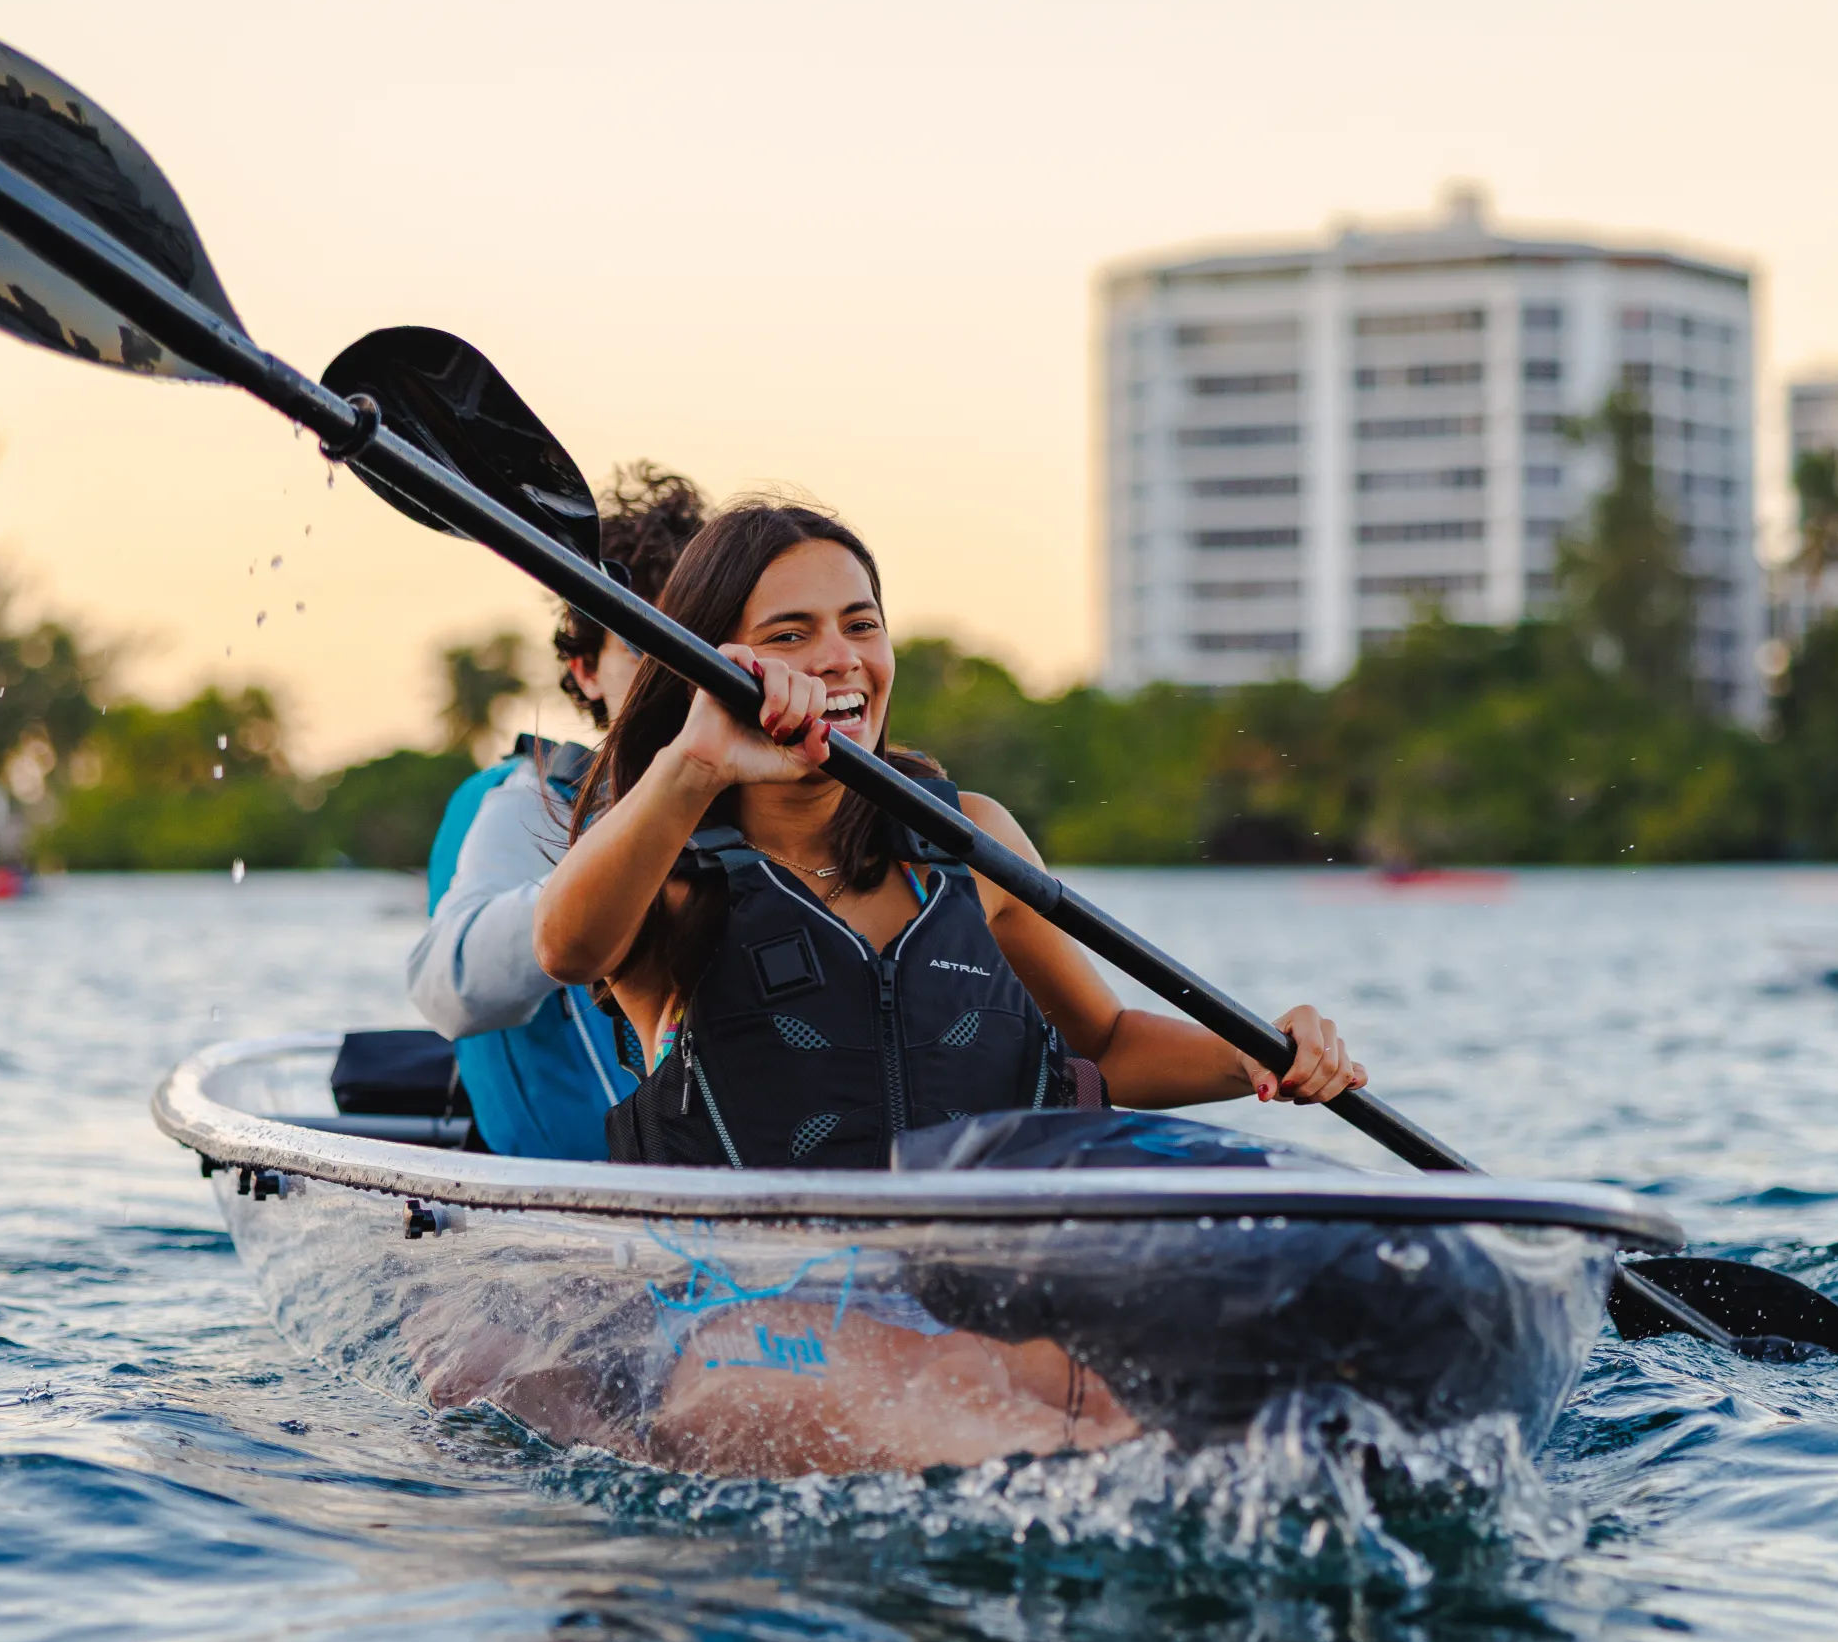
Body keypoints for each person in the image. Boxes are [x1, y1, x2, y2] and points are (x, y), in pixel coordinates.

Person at [534, 501, 1365, 1165]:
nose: (839, 658)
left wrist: (1253, 1055)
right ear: (717, 670)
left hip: (982, 1294)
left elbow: (1104, 1044)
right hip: (765, 1313)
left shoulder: (967, 838)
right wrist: (698, 763)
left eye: (861, 625)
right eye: (790, 636)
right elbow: (564, 952)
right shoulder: (667, 866)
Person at [406, 465, 710, 1159]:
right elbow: (446, 988)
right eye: (645, 644)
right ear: (585, 670)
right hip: (587, 1209)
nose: (678, 675)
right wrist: (615, 874)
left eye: (699, 642)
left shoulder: (779, 802)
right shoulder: (536, 803)